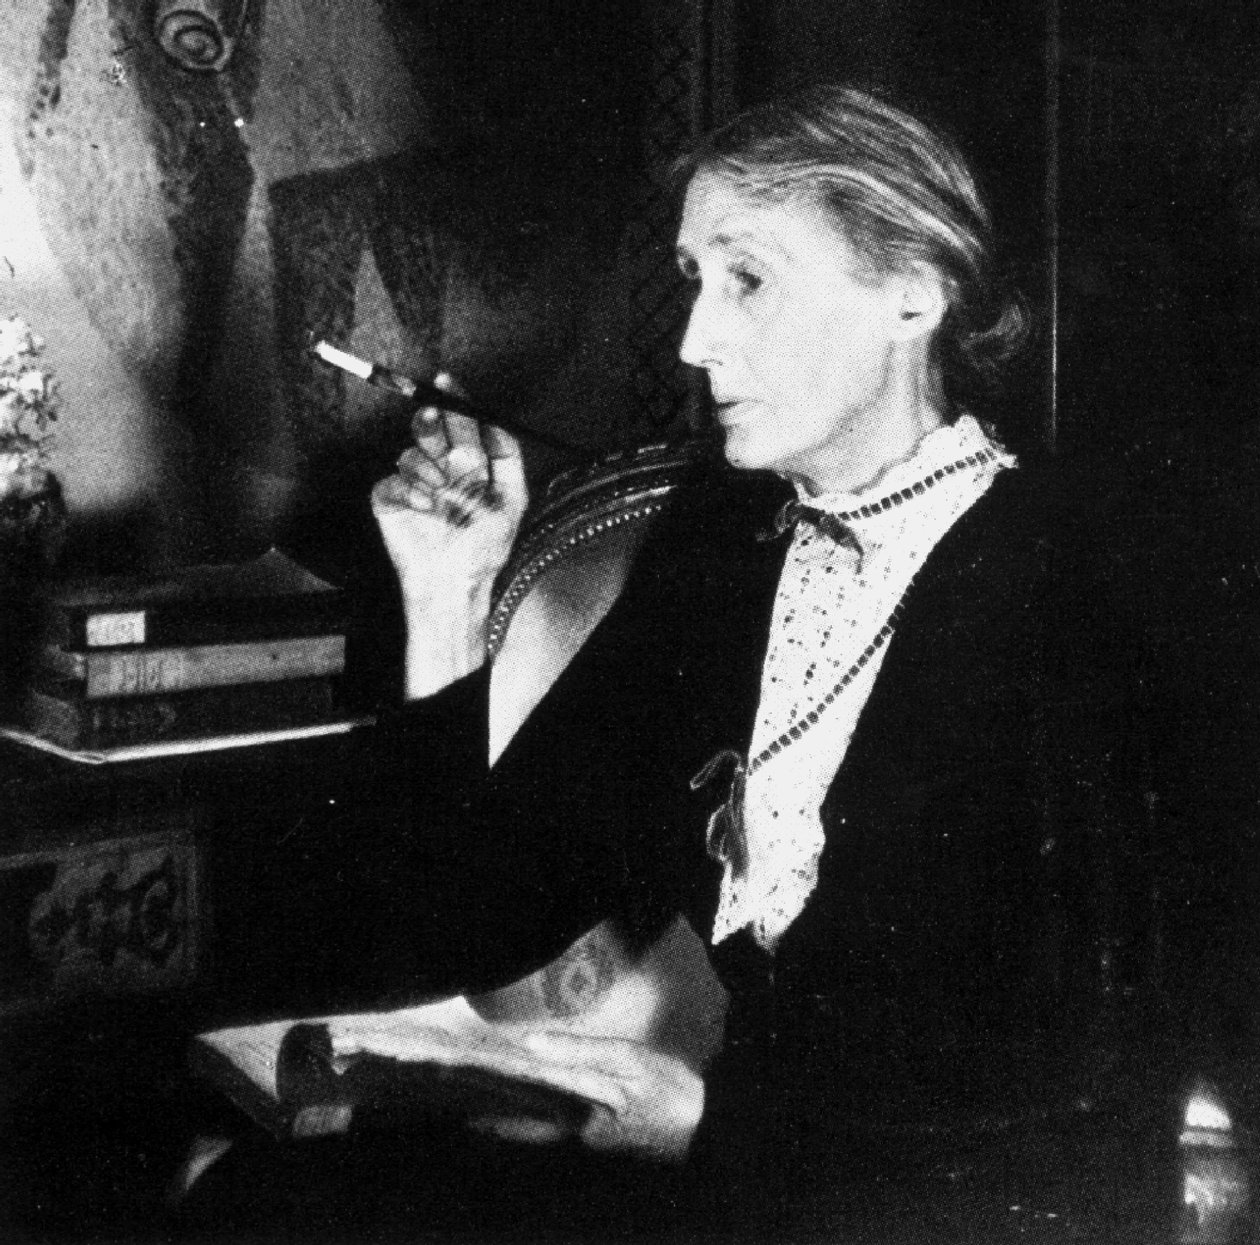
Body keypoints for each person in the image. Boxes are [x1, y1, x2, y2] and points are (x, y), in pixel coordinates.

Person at [184, 83, 1149, 1241]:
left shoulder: (1070, 587)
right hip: (738, 1188)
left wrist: (706, 1118)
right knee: (257, 1200)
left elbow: (1088, 1066)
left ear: (913, 291)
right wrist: (452, 596)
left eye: (749, 279)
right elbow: (479, 919)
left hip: (937, 1209)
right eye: (695, 280)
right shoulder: (722, 541)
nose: (697, 342)